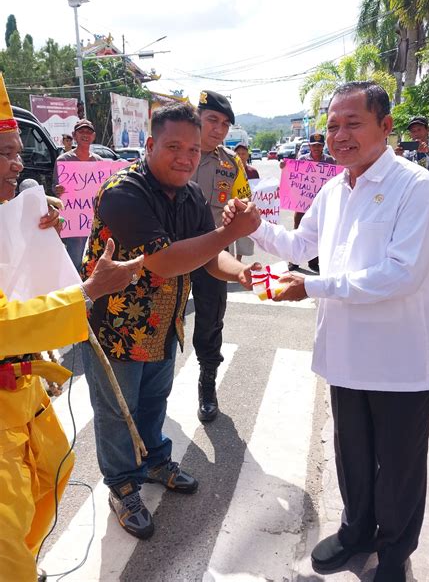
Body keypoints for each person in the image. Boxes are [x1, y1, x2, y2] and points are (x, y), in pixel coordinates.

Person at [224, 81, 429, 582]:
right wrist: (256, 225)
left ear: (385, 127)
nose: (339, 135)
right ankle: (355, 531)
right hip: (346, 354)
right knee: (353, 455)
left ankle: (393, 554)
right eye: (333, 125)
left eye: (352, 123)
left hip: (399, 360)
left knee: (400, 468)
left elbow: (402, 273)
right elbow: (302, 245)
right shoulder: (333, 187)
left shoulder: (414, 185)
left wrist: (314, 287)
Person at [80, 103, 259, 540]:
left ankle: (156, 459)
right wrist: (229, 233)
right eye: (174, 146)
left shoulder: (191, 195)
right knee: (117, 412)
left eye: (193, 150)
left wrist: (241, 271)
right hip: (115, 329)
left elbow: (208, 255)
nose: (185, 157)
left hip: (163, 326)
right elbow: (164, 261)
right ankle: (123, 485)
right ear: (149, 145)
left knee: (154, 401)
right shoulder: (122, 192)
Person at [0, 72, 143, 582]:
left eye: (18, 151)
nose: (18, 163)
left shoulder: (9, 211)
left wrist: (28, 224)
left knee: (53, 474)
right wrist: (89, 291)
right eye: (5, 152)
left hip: (22, 396)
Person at [191, 90, 252, 422]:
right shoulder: (175, 154)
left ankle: (207, 384)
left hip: (212, 254)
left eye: (225, 124)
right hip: (168, 252)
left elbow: (244, 204)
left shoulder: (232, 164)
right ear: (197, 117)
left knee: (210, 322)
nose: (218, 129)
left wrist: (241, 212)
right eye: (212, 120)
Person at [395, 116, 429, 292]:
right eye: (413, 131)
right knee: (412, 239)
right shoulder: (409, 153)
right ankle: (415, 277)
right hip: (412, 202)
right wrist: (397, 158)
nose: (416, 134)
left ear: (426, 130)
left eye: (419, 129)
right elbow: (401, 175)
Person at [53, 119, 103, 271]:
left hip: (94, 220)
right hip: (74, 222)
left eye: (88, 132)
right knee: (75, 260)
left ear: (93, 136)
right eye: (81, 132)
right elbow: (55, 190)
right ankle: (75, 290)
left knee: (95, 259)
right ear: (74, 135)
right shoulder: (63, 161)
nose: (85, 135)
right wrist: (57, 190)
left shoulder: (99, 162)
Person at [281, 133, 333, 273]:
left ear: (323, 146)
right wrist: (285, 166)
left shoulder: (331, 161)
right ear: (309, 146)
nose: (317, 148)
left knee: (319, 232)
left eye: (319, 145)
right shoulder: (302, 160)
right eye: (314, 145)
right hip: (302, 205)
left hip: (322, 206)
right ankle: (294, 260)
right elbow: (292, 174)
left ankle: (314, 261)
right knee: (298, 232)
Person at [231, 142, 260, 261]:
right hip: (231, 208)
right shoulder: (228, 170)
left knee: (243, 236)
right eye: (238, 153)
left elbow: (260, 190)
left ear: (248, 155)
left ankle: (238, 260)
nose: (241, 156)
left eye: (244, 153)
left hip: (245, 208)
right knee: (228, 237)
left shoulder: (253, 172)